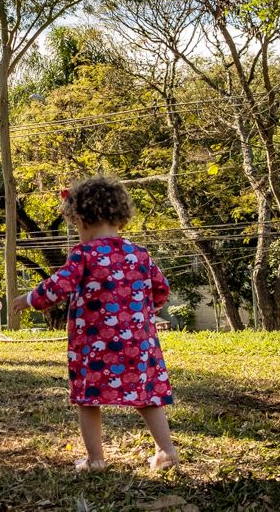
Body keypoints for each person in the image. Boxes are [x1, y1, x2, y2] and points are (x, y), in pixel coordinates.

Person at [11, 176, 178, 472]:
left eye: (75, 226)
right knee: (148, 397)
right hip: (138, 345)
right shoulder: (139, 254)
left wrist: (29, 299)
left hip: (94, 347)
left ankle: (95, 459)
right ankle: (166, 452)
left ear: (82, 219)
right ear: (119, 216)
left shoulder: (83, 255)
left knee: (88, 400)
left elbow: (58, 286)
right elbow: (161, 288)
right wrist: (147, 309)